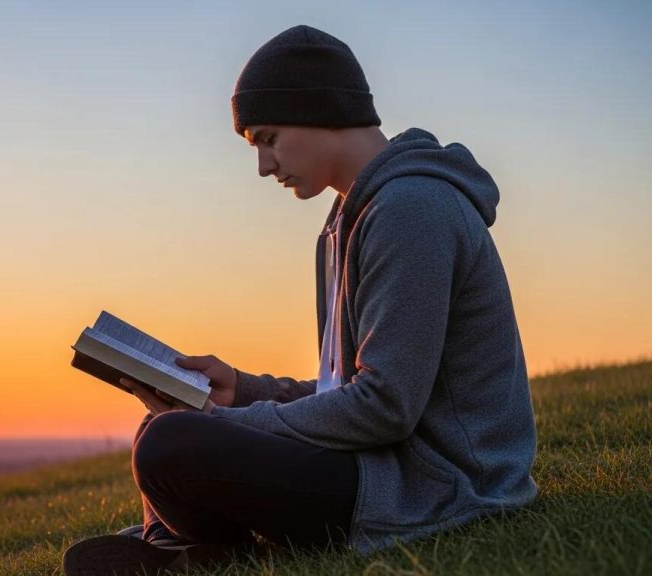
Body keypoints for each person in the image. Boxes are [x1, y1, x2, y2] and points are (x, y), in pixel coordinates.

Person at [62, 24, 537, 576]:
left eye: (268, 138)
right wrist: (245, 390)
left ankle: (190, 550)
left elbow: (385, 407)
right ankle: (187, 550)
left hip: (441, 487)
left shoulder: (413, 210)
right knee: (161, 430)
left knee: (172, 441)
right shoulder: (351, 218)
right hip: (383, 464)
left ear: (318, 110)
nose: (264, 166)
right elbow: (352, 390)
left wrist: (228, 421)